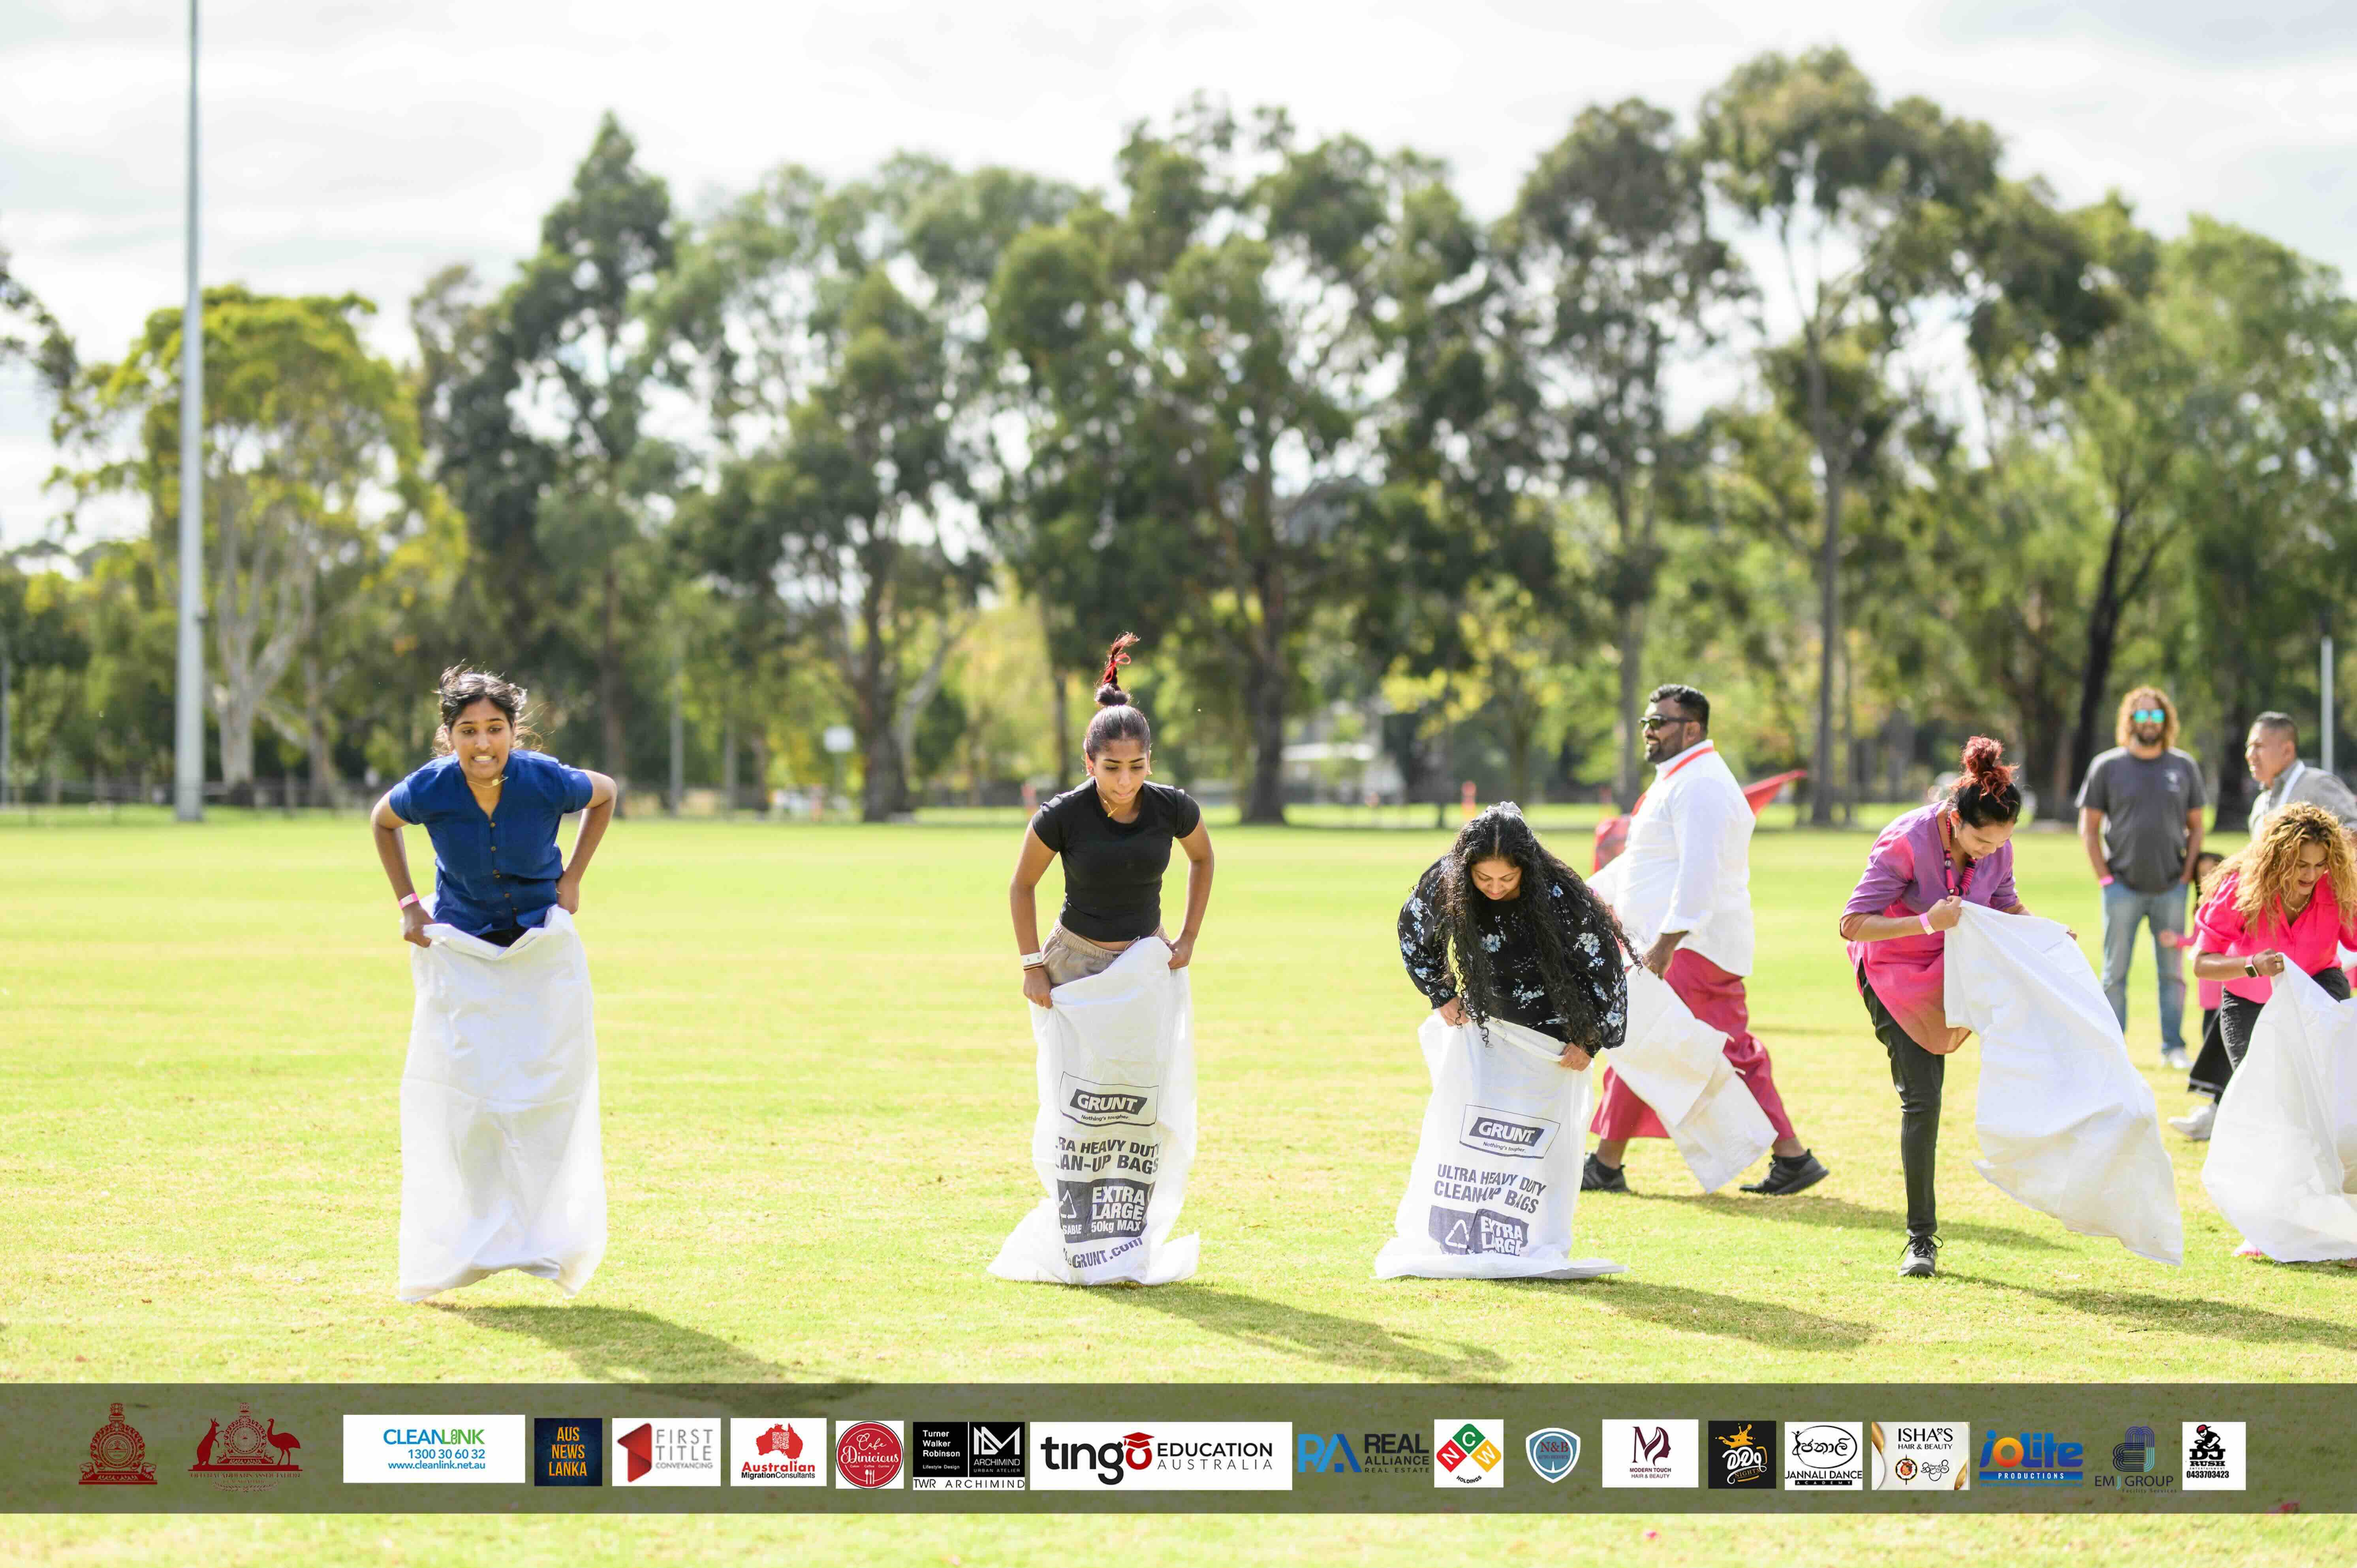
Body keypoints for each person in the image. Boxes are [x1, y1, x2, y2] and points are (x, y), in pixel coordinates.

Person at [1584, 684, 1827, 1196]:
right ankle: (1606, 1163)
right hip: (1675, 942)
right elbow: (1645, 861)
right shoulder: (1679, 780)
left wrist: (1667, 945)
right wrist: (1588, 892)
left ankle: (1792, 1155)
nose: (1649, 731)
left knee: (1722, 1049)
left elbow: (1700, 872)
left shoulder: (1700, 785)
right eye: (1647, 721)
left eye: (1660, 723)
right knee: (1640, 1042)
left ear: (1691, 729)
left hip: (1692, 946)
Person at [1841, 738, 2052, 1280]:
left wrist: (2046, 932)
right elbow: (1853, 922)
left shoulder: (1996, 846)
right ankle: (1920, 1239)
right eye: (1980, 838)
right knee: (1923, 1099)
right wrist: (1926, 922)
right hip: (1892, 973)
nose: (1988, 850)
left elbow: (2004, 901)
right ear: (1955, 818)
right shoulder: (1907, 840)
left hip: (1956, 968)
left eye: (2000, 841)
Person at [1009, 635, 1213, 999]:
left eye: (1137, 766)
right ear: (1090, 763)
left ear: (1150, 760)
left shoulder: (1174, 807)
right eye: (1112, 767)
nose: (1125, 780)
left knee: (1147, 1060)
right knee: (1080, 1061)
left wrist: (1189, 937)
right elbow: (1021, 886)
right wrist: (1032, 965)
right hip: (1075, 966)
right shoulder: (1061, 815)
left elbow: (1202, 857)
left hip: (1148, 959)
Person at [370, 668, 617, 948]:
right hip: (459, 939)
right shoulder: (429, 788)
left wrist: (573, 878)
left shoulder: (545, 780)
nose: (483, 743)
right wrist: (409, 905)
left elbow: (606, 793)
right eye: (468, 731)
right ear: (449, 736)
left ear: (513, 730)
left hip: (542, 936)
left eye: (495, 728)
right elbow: (382, 821)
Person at [1397, 802, 1629, 1068]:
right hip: (1484, 1025)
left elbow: (1604, 965)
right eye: (1483, 877)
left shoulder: (1558, 894)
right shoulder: (1449, 880)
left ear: (1526, 868)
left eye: (1507, 879)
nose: (1495, 888)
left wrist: (1589, 1038)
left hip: (1556, 1038)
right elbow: (1412, 930)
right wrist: (1442, 995)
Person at [2076, 686, 2205, 1071]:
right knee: (2115, 972)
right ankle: (2114, 1048)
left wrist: (2186, 875)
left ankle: (2173, 1046)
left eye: (2156, 716)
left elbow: (2197, 826)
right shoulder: (2107, 766)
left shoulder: (2183, 766)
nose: (2149, 723)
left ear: (2165, 721)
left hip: (2171, 887)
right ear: (2129, 720)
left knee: (2172, 972)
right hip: (2121, 888)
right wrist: (2104, 878)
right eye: (2142, 716)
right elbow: (2089, 827)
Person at [2191, 802, 2357, 1068]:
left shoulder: (2336, 887)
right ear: (2279, 857)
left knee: (2323, 1082)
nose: (2311, 874)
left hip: (2319, 990)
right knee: (2257, 1092)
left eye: (2319, 864)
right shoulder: (2241, 889)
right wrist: (2252, 965)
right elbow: (2201, 964)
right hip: (2250, 1003)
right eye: (2300, 864)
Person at [2169, 851, 2231, 1140]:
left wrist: (2179, 941)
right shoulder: (2203, 907)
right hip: (2208, 994)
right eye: (2202, 873)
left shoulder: (2230, 906)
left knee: (2222, 1053)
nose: (2207, 878)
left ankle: (2216, 1112)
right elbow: (2199, 941)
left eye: (2213, 871)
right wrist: (2179, 941)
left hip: (2227, 995)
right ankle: (2214, 1111)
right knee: (2211, 1046)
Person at [2244, 712, 2357, 834]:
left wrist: (2313, 846)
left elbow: (2354, 832)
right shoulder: (2260, 804)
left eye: (2259, 746)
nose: (2250, 755)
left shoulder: (2318, 785)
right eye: (2249, 747)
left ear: (2287, 750)